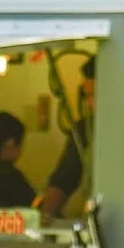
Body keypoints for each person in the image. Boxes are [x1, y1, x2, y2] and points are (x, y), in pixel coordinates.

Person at [37, 59, 94, 219]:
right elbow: (64, 178)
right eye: (87, 96)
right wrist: (45, 216)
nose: (90, 104)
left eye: (95, 96)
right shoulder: (83, 131)